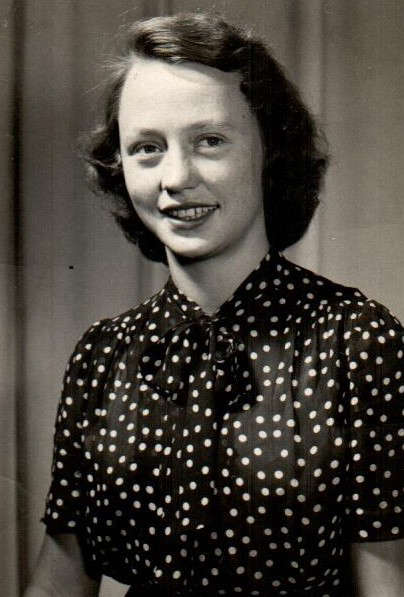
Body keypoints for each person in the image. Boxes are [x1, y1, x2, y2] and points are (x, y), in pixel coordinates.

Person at [25, 12, 404, 597]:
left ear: (270, 149)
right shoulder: (103, 356)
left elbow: (385, 585)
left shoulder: (356, 342)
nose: (176, 177)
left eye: (210, 141)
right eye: (147, 148)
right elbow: (60, 580)